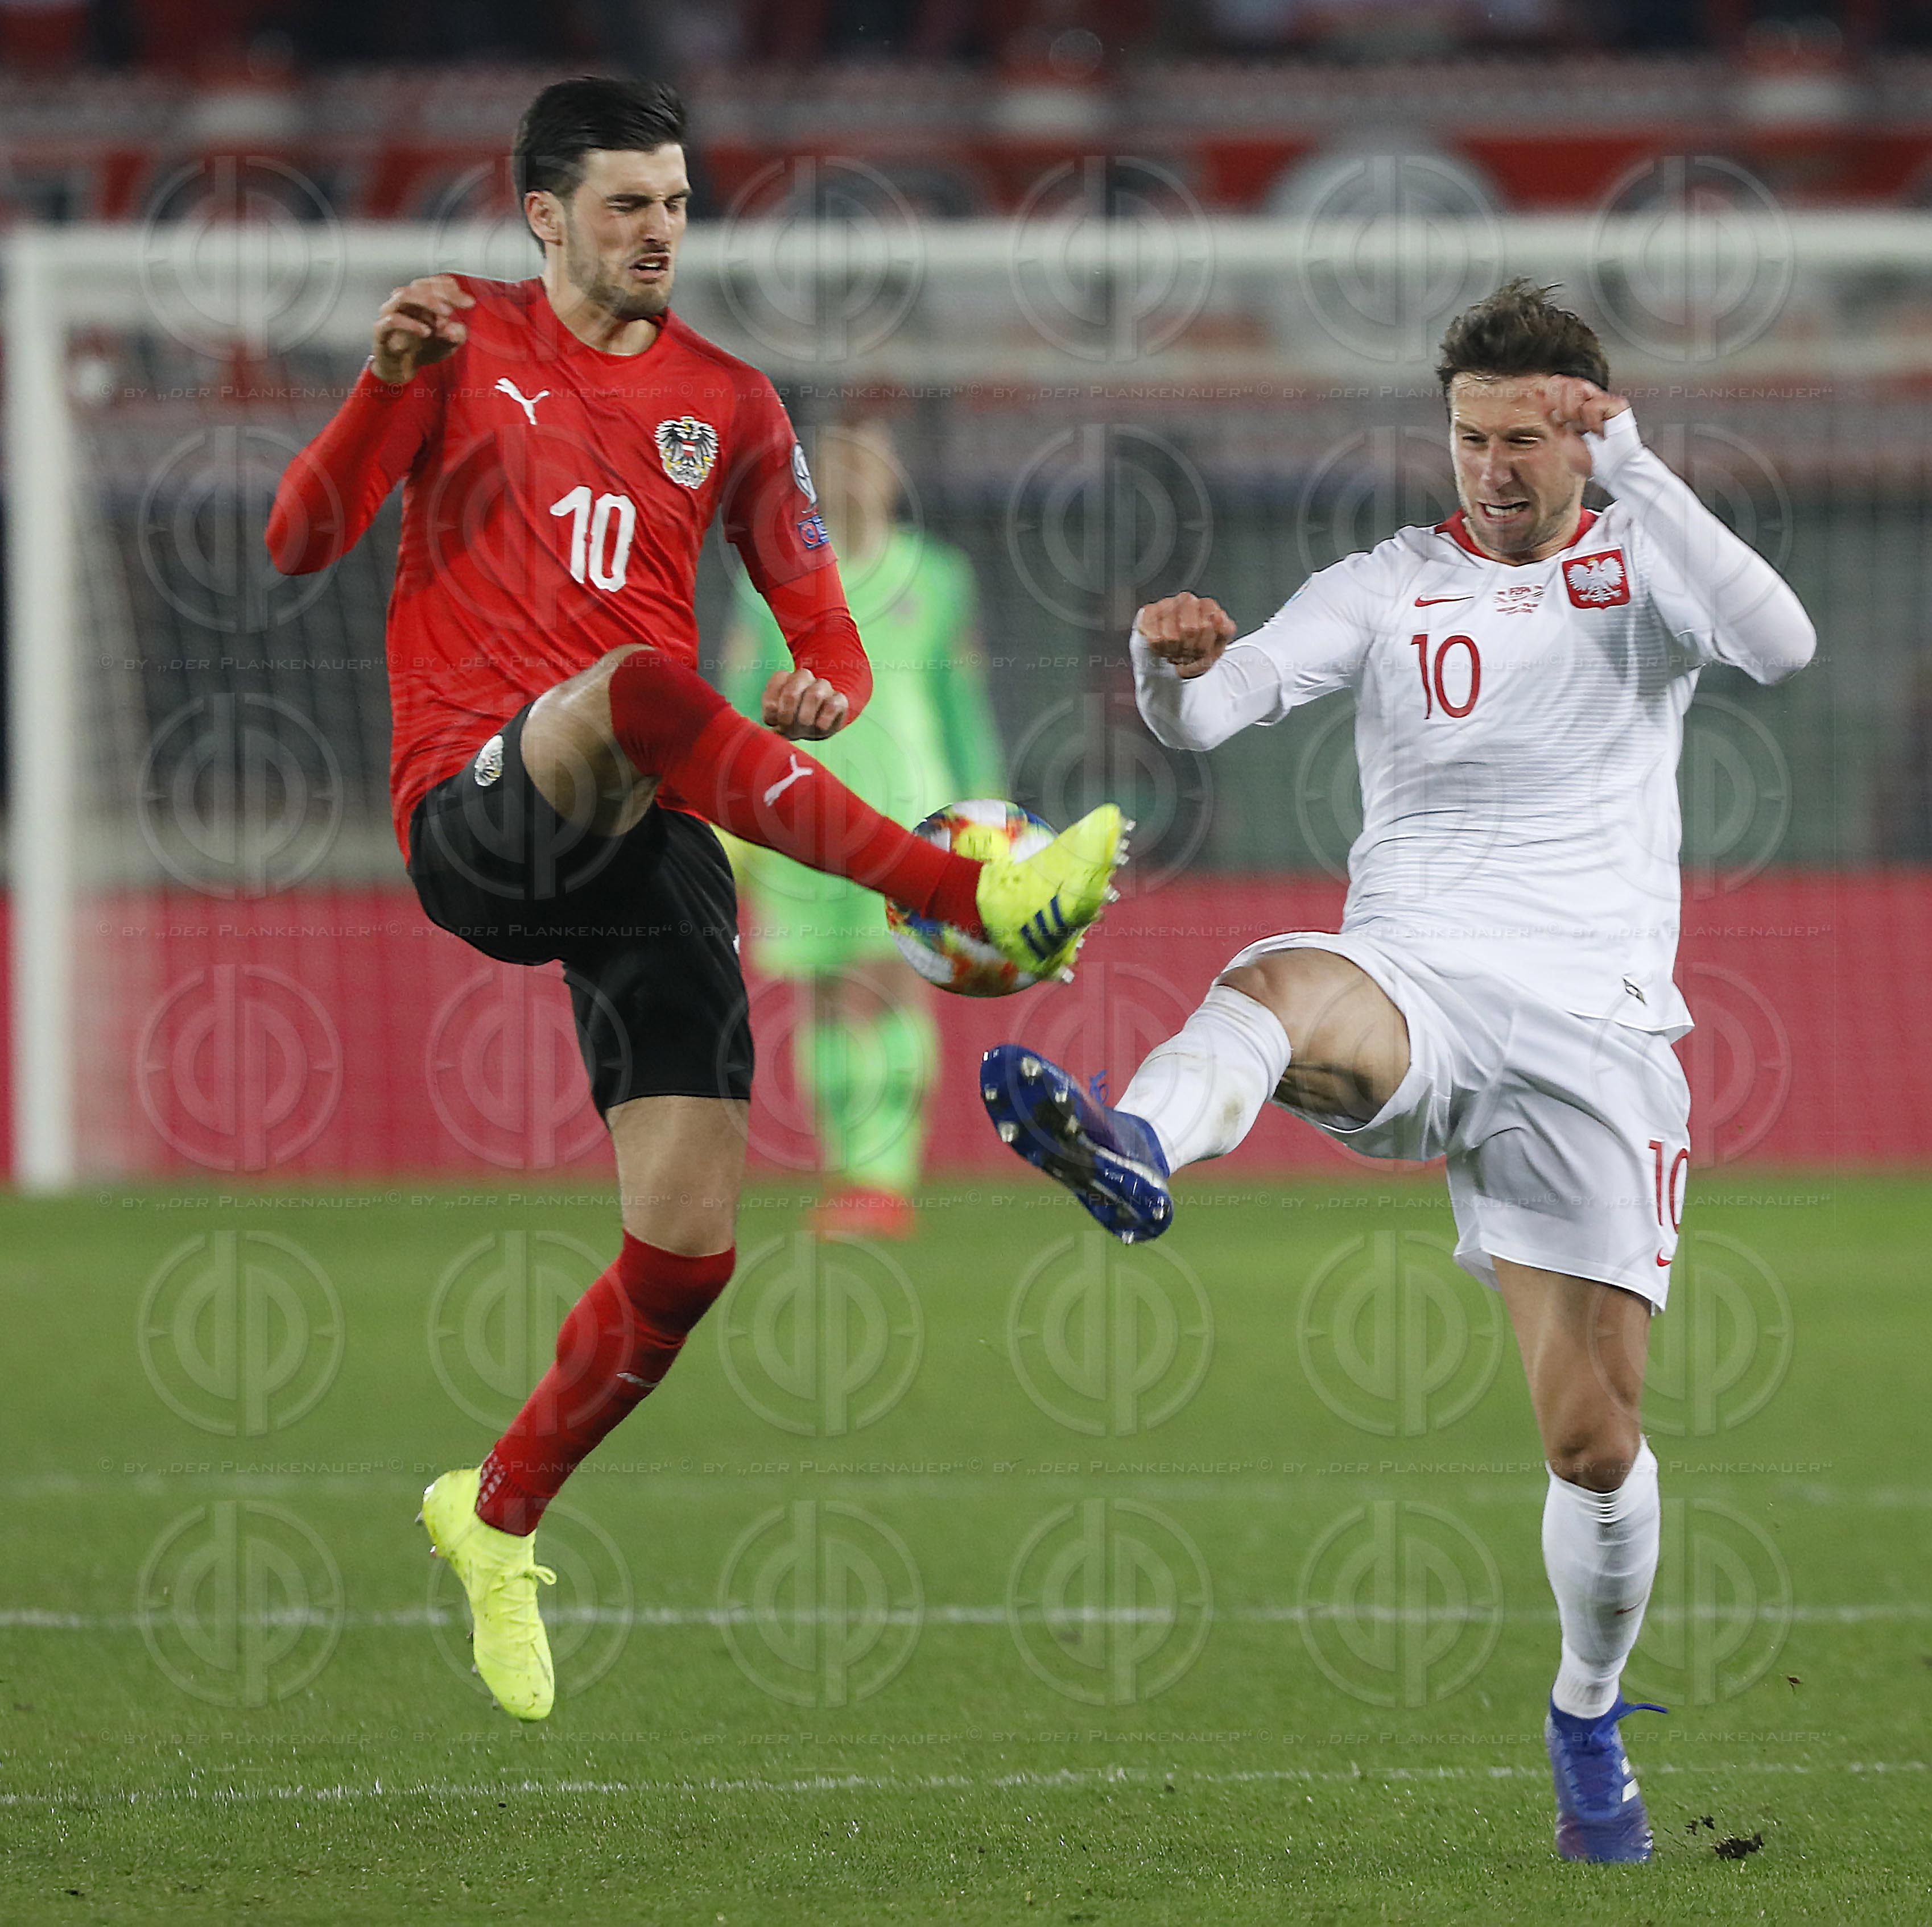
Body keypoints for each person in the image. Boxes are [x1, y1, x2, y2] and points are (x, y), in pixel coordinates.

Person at [265, 76, 1124, 1722]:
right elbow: (301, 540)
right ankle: (970, 891)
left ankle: (496, 1513)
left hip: (642, 834)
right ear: (543, 216)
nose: (659, 230)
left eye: (673, 202)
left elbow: (827, 615)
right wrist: (376, 393)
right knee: (651, 683)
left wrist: (824, 675)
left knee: (689, 1248)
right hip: (475, 804)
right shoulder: (454, 341)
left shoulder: (729, 400)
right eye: (624, 205)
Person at [980, 280, 1814, 1863]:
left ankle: (1584, 1708)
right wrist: (1167, 666)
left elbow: (1783, 642)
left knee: (1593, 1439)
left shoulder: (1644, 560)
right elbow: (1213, 714)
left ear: (1580, 429)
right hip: (1419, 986)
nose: (1492, 465)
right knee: (1273, 985)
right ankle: (1138, 1143)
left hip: (1598, 1039)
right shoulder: (1390, 581)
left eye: (1522, 436)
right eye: (1468, 434)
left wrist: (1635, 466)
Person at [724, 413, 1004, 1238]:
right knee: (825, 993)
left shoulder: (938, 576)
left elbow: (961, 703)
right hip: (798, 806)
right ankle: (850, 1172)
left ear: (892, 474)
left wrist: (985, 808)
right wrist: (726, 816)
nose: (853, 474)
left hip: (909, 808)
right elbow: (744, 701)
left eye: (868, 459)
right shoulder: (766, 576)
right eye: (837, 459)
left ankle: (887, 1178)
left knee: (888, 984)